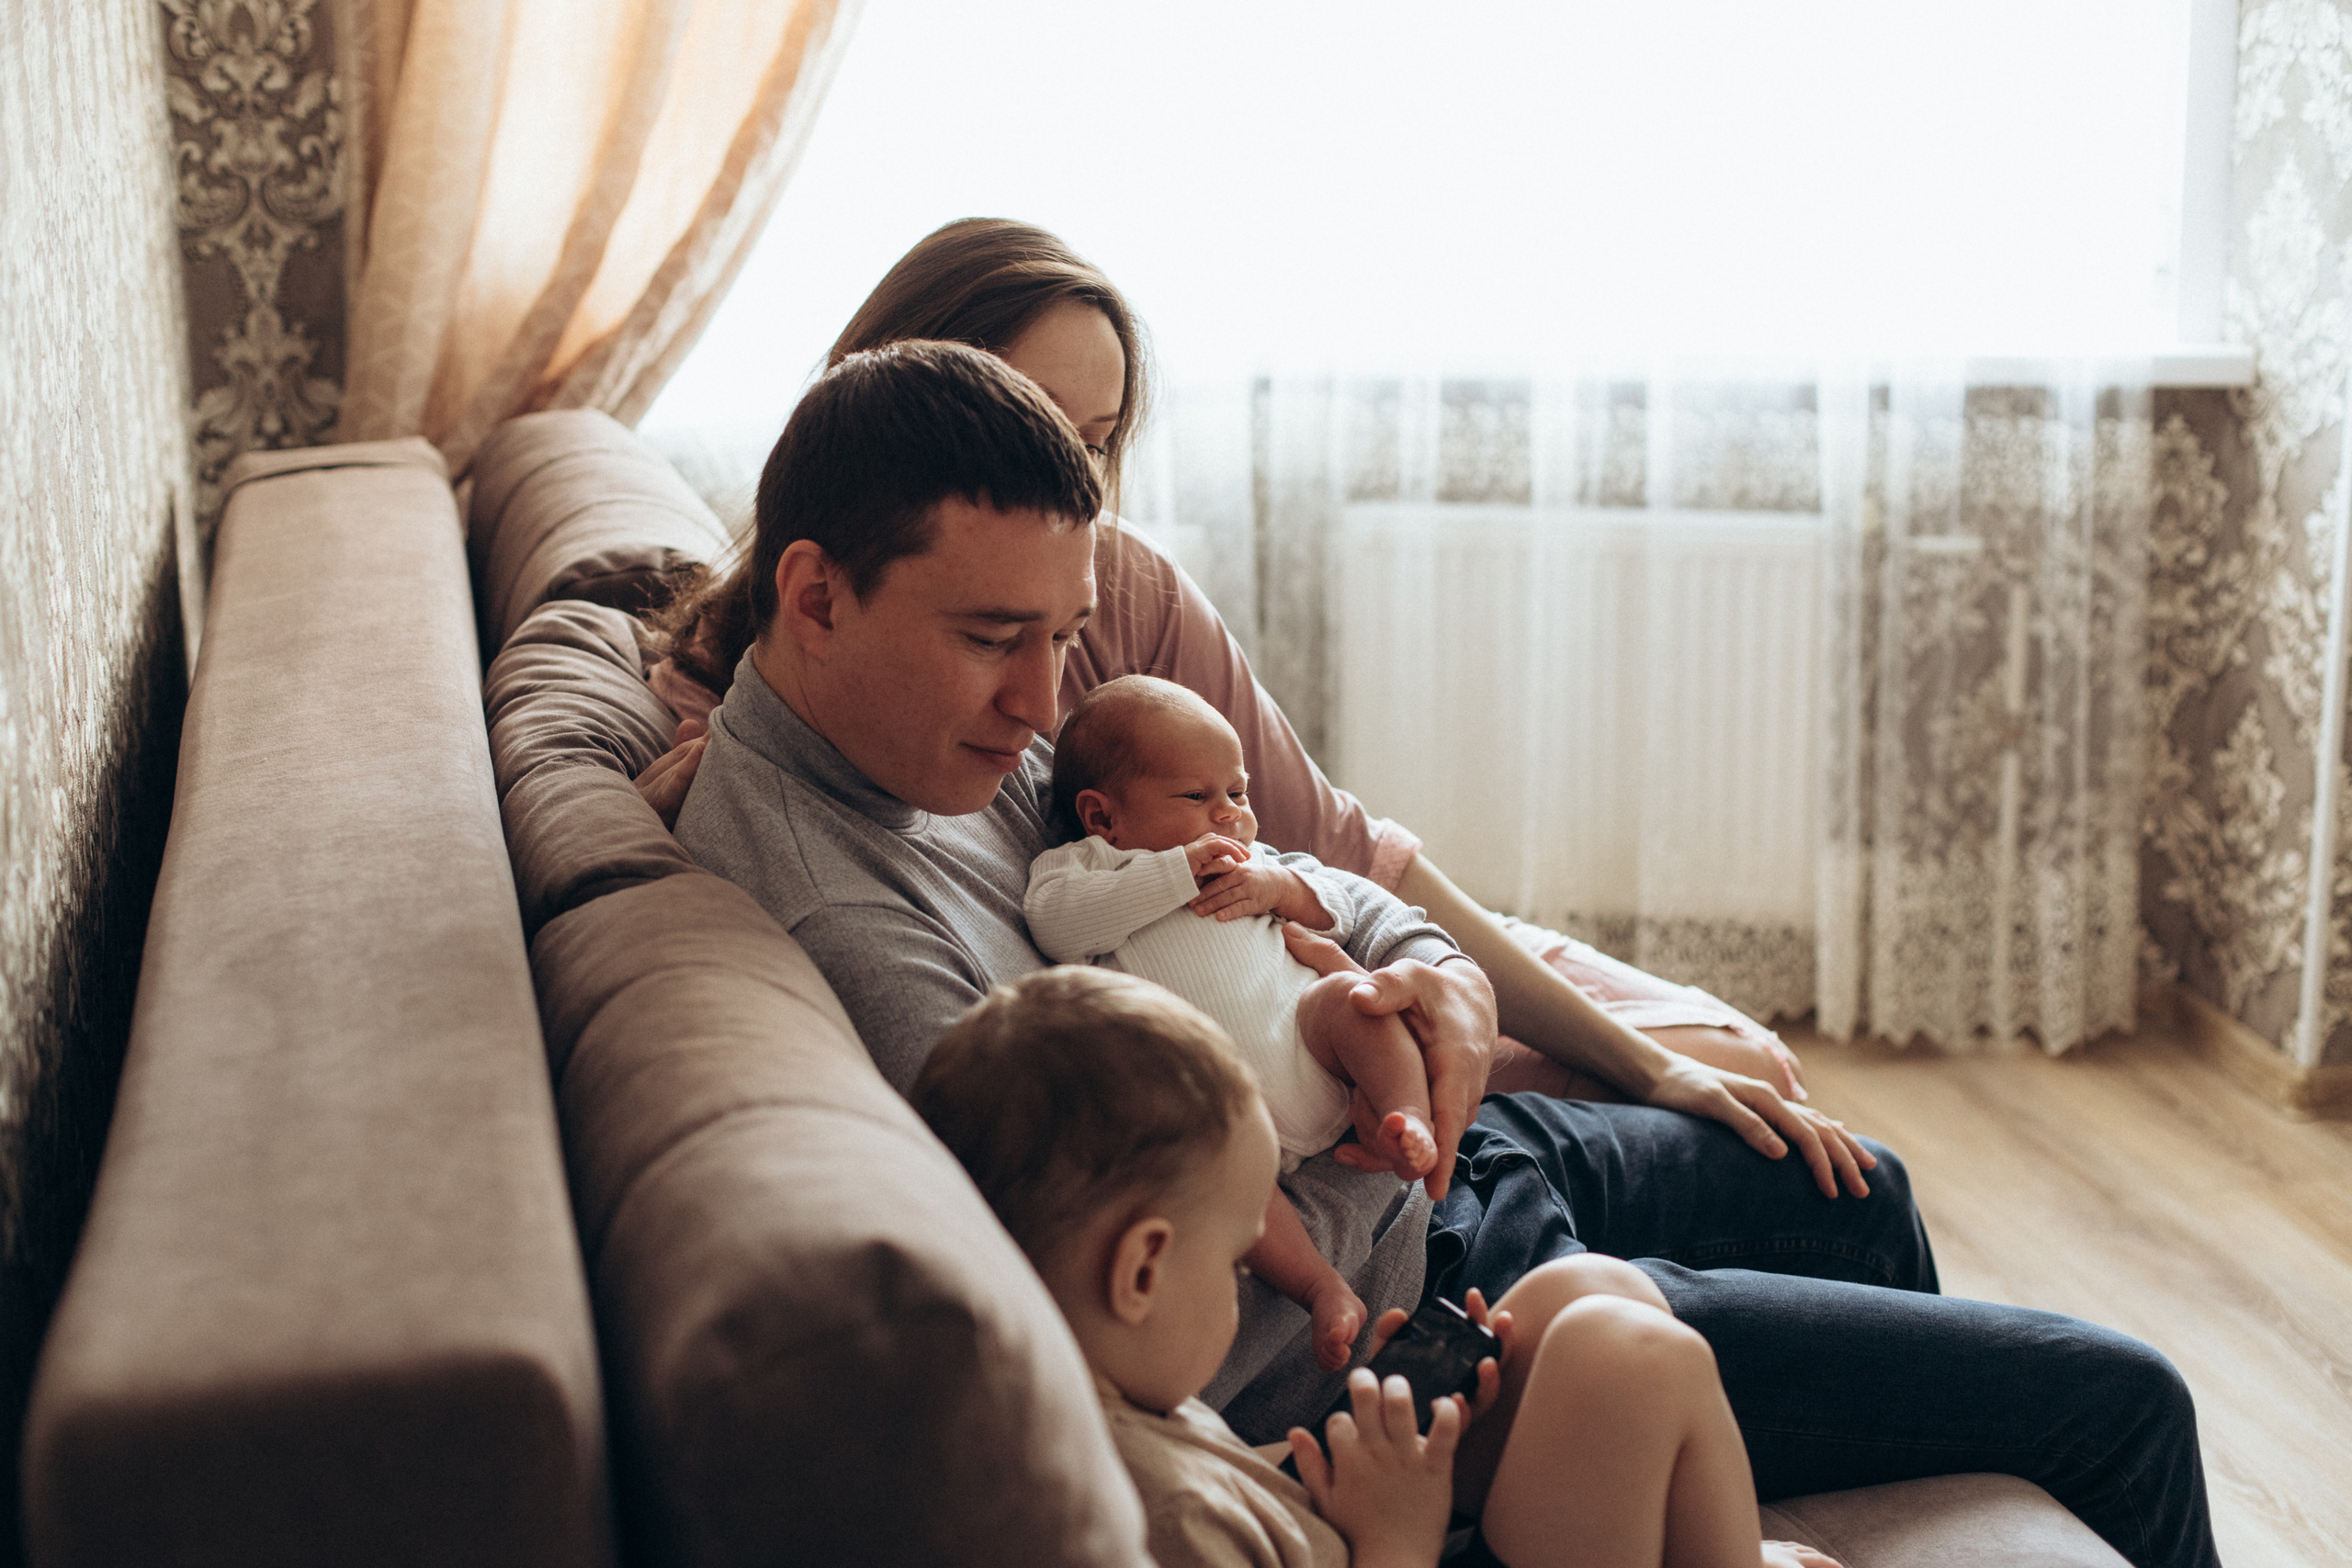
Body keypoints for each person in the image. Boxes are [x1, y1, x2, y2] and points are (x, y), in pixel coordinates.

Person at [665, 328, 2217, 1568]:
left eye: (1061, 637)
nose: (1038, 698)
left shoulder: (945, 738)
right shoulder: (847, 921)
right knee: (2124, 1403)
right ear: (814, 593)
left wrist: (1429, 978)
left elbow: (1305, 866)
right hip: (1418, 1323)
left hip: (1431, 1169)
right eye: (995, 637)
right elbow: (1128, 1280)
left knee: (1865, 1192)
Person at [640, 218, 1879, 1213]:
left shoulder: (1114, 585)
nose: (1067, 484)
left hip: (1309, 932)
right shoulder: (819, 727)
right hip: (1293, 1082)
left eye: (1094, 443)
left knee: (1735, 1063)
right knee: (1763, 1115)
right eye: (1027, 420)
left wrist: (1493, 993)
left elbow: (1331, 850)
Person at [913, 966, 1840, 1568]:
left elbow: (1241, 1479)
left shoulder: (1109, 1396)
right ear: (1142, 1271)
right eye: (1239, 1260)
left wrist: (1349, 1450)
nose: (1245, 1284)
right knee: (1632, 1359)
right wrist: (1397, 1531)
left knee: (1588, 1292)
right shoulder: (1159, 1518)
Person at [1031, 674, 1445, 1371]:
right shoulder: (1086, 866)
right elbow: (1055, 925)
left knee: (1351, 996)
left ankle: (1412, 1119)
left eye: (1238, 792)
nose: (1228, 814)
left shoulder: (1253, 862)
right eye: (1197, 797)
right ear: (1103, 817)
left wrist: (1281, 886)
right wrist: (1176, 874)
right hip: (1222, 1103)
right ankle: (1320, 1287)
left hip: (1306, 1039)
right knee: (1214, 1176)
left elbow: (1337, 910)